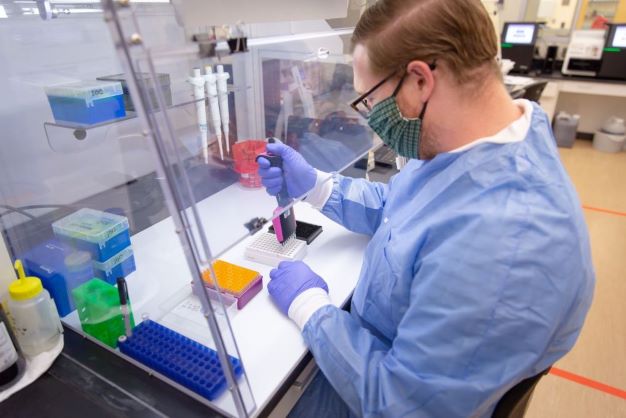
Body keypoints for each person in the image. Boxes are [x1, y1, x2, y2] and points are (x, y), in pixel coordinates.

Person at [257, 0, 595, 416]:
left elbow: (401, 405)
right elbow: (404, 206)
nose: (371, 117)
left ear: (419, 81)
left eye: (371, 101)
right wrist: (317, 187)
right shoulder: (477, 142)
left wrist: (310, 306)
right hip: (382, 348)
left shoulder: (504, 243)